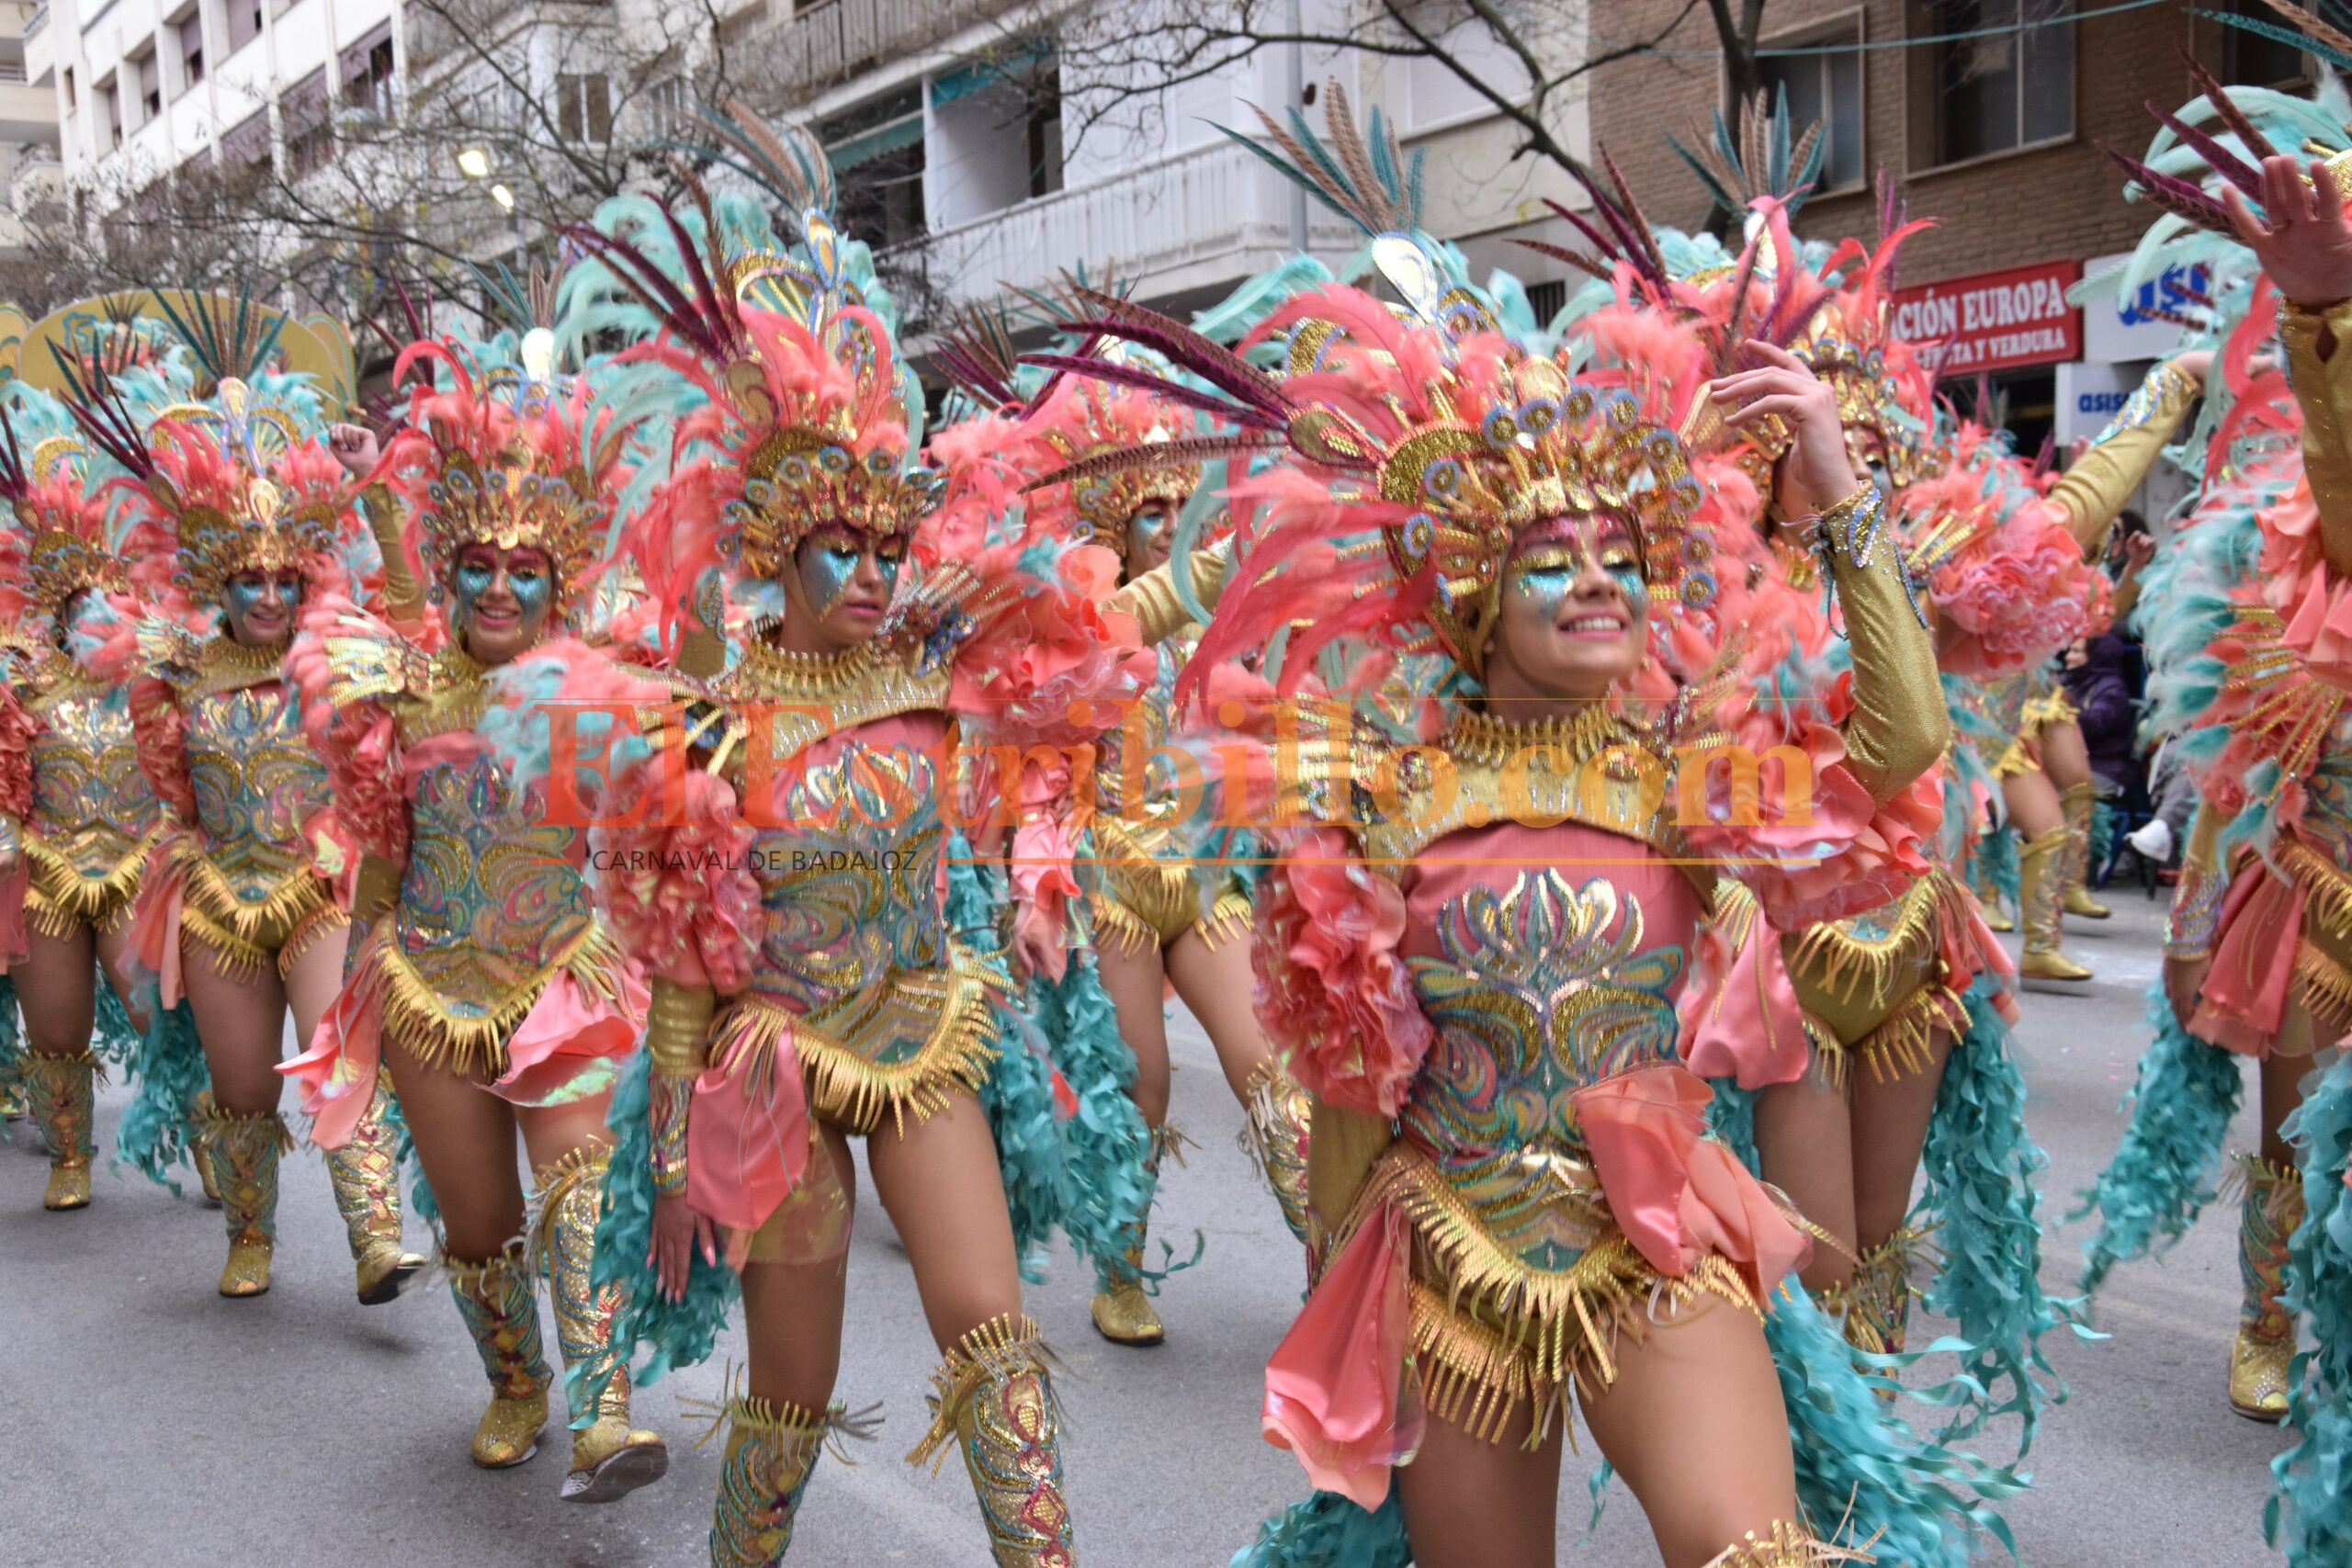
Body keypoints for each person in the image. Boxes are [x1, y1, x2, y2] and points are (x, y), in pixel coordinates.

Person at [571, 135, 1151, 1563]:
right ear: (775, 548)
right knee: (796, 1377)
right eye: (844, 547)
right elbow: (689, 962)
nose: (878, 572)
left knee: (990, 1322)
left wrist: (1031, 888)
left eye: (891, 546)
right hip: (774, 1058)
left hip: (923, 1023)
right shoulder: (713, 725)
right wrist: (666, 1150)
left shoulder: (932, 671)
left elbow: (1082, 665)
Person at [283, 336, 669, 1500]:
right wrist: (359, 985)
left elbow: (664, 794)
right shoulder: (398, 696)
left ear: (560, 582)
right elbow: (382, 850)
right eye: (479, 566)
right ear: (449, 576)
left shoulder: (594, 688)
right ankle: (517, 1382)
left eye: (526, 569)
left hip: (562, 975)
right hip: (429, 988)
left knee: (581, 1189)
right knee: (478, 1225)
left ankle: (605, 1415)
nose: (500, 587)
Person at [93, 368, 426, 1302]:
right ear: (218, 581)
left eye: (286, 577)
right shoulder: (175, 671)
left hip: (316, 891)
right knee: (242, 1089)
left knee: (334, 1055)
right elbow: (170, 785)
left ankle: (375, 1239)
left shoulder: (336, 651)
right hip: (217, 899)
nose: (271, 595)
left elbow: (410, 623)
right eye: (249, 578)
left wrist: (376, 494)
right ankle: (249, 1235)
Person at [0, 378, 158, 1211]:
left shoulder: (157, 669)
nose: (95, 615)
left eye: (108, 599)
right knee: (56, 1029)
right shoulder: (20, 674)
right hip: (49, 869)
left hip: (135, 865)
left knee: (162, 1018)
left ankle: (211, 1141)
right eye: (78, 601)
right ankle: (69, 1153)